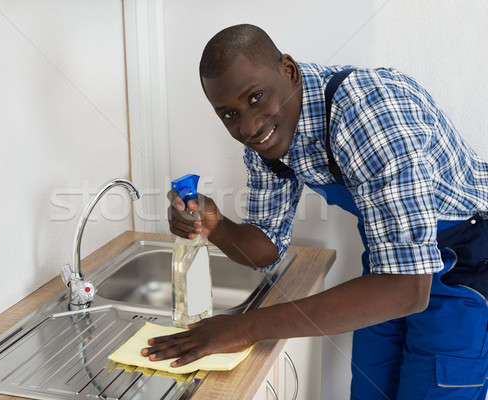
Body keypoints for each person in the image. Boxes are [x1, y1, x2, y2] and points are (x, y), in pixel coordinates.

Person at [141, 24, 488, 399]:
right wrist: (215, 225)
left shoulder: (368, 114)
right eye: (228, 115)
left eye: (255, 97)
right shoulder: (268, 141)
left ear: (288, 71)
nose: (248, 126)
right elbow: (266, 248)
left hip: (463, 270)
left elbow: (407, 289)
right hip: (389, 266)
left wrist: (245, 328)